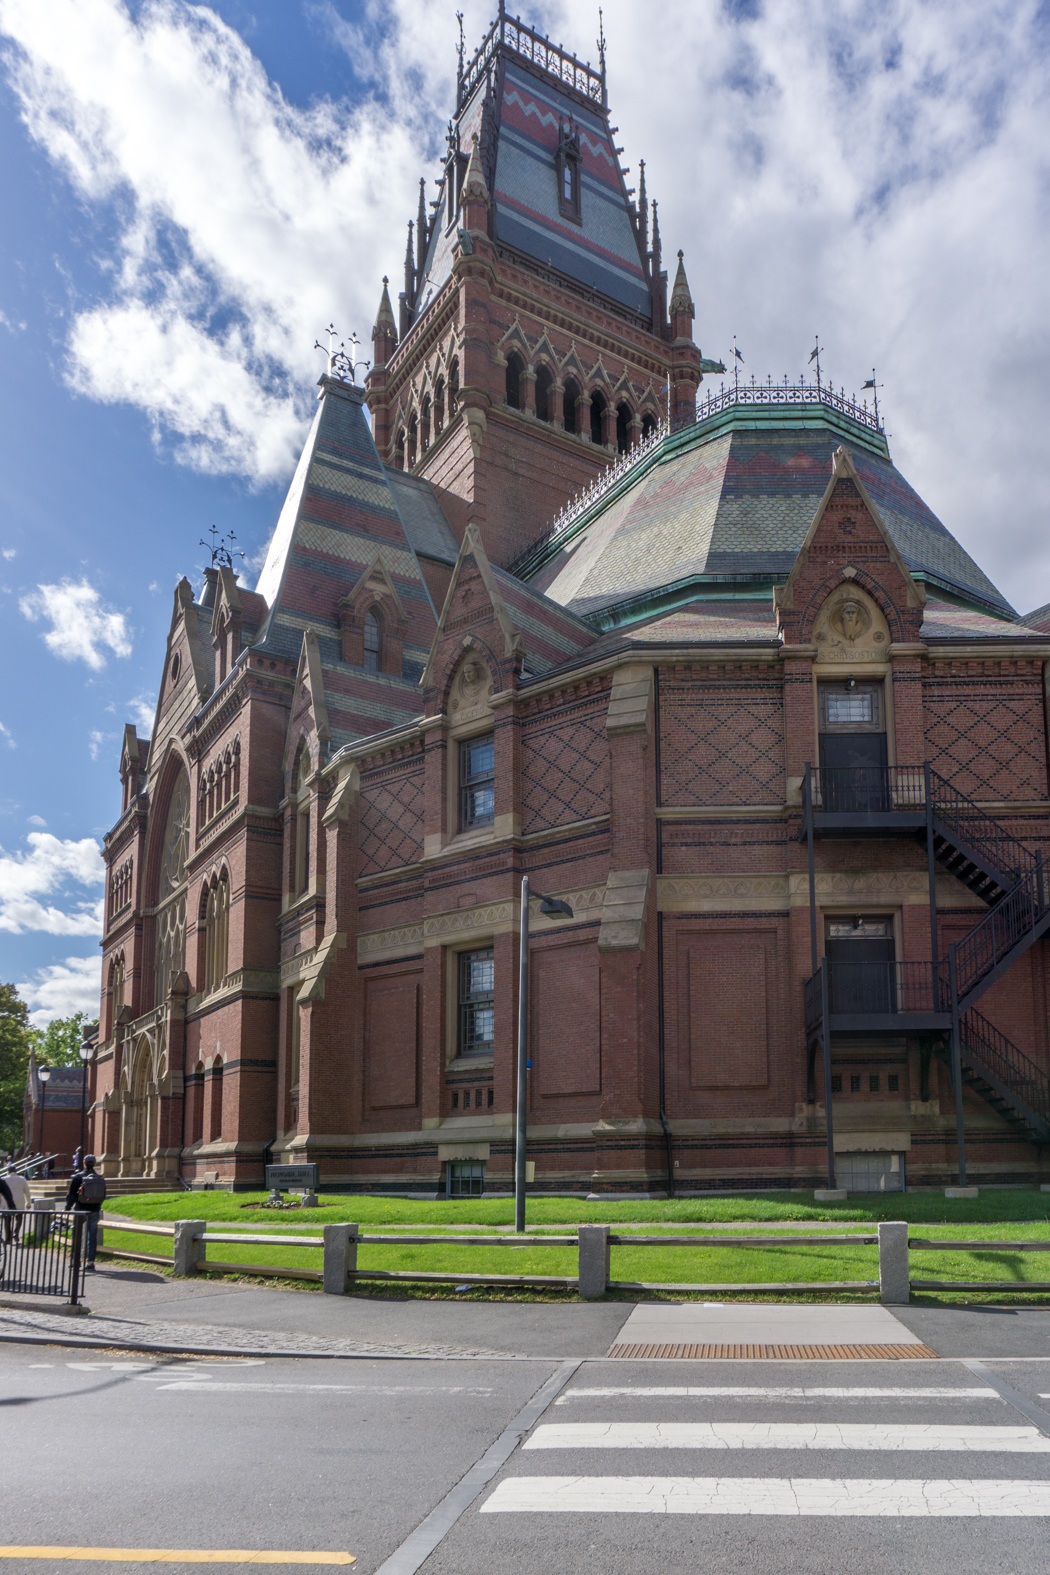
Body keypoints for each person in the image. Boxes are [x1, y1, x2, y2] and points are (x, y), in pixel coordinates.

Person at [64, 1155, 106, 1270]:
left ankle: (75, 1260)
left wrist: (67, 1208)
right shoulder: (99, 1178)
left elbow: (71, 1194)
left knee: (76, 1235)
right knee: (92, 1236)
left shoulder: (78, 1177)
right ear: (95, 1164)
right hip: (94, 1210)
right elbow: (103, 1195)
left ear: (84, 1163)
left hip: (80, 1210)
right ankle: (91, 1262)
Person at [2, 1166, 29, 1243]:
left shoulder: (4, 1179)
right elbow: (27, 1192)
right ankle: (16, 1233)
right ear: (16, 1171)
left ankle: (8, 1237)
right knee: (19, 1218)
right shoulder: (22, 1179)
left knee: (7, 1220)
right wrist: (28, 1203)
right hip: (19, 1201)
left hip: (7, 1202)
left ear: (8, 1171)